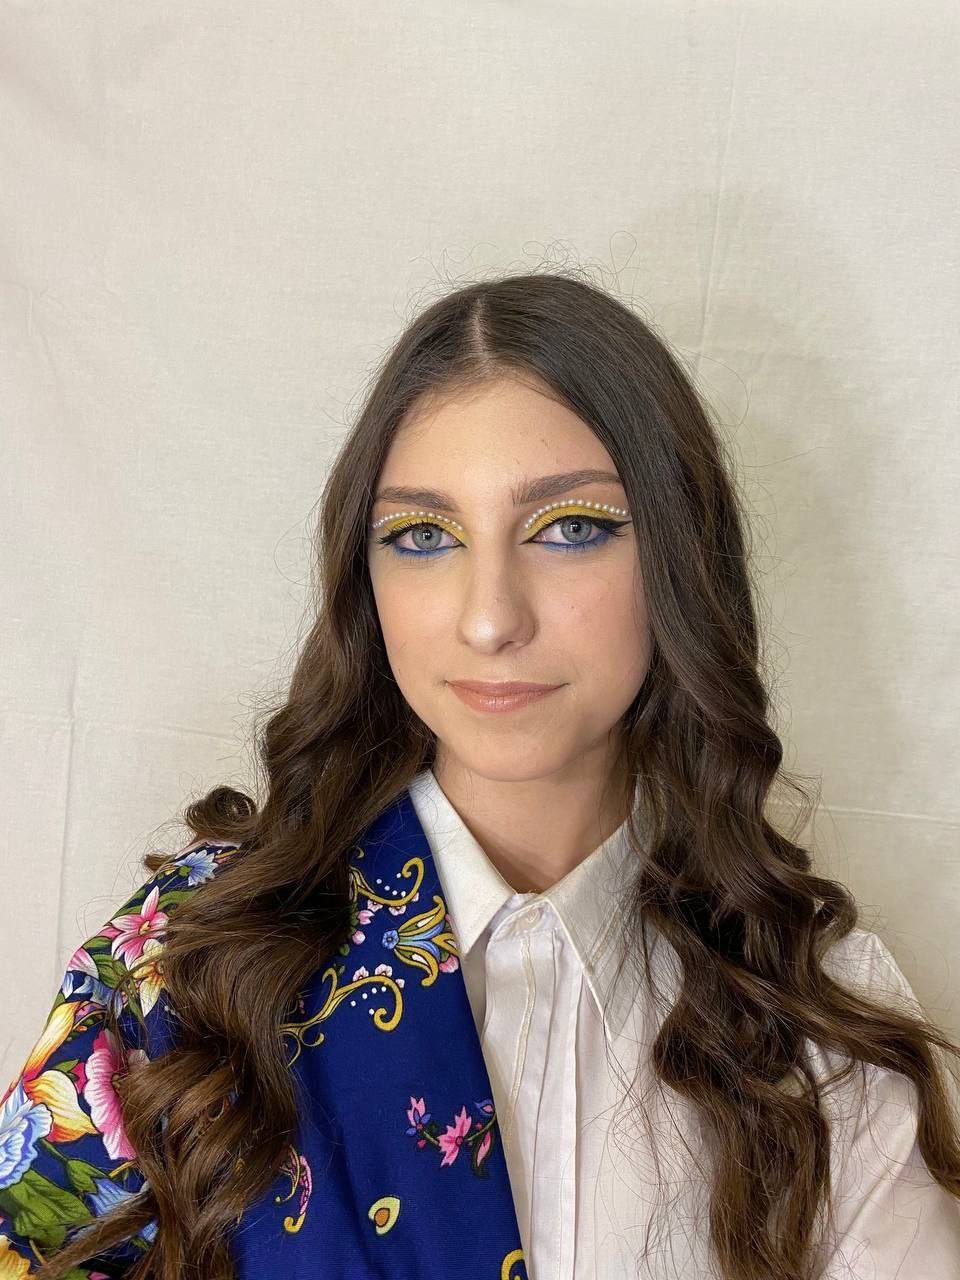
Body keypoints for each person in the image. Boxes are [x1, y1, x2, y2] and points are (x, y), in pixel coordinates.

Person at [3, 271, 959, 1280]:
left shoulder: (816, 1025)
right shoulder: (196, 967)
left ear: (681, 557)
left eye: (571, 528)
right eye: (423, 537)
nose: (491, 617)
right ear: (365, 580)